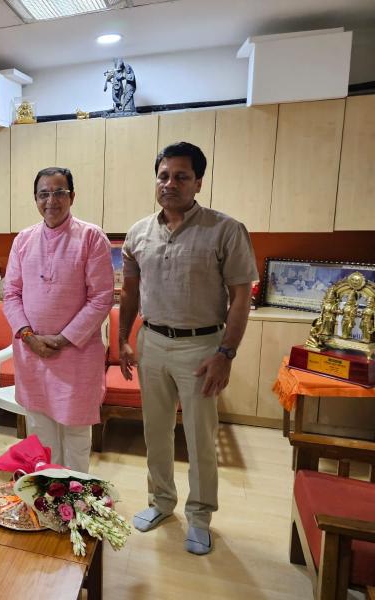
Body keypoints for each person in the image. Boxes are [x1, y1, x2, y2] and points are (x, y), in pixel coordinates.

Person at [119, 142, 258, 555]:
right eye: (163, 175)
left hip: (202, 347)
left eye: (181, 176)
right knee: (156, 432)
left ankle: (200, 516)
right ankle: (161, 502)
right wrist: (125, 339)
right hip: (152, 343)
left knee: (199, 437)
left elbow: (240, 298)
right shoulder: (138, 232)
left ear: (198, 181)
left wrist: (226, 354)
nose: (170, 184)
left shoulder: (225, 230)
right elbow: (129, 293)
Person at [2, 167, 114, 473]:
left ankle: (74, 500)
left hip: (76, 355)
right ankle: (48, 497)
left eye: (59, 192)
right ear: (36, 199)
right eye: (44, 194)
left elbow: (102, 297)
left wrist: (62, 339)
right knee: (41, 435)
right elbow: (10, 293)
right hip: (32, 355)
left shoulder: (91, 237)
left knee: (76, 435)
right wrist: (28, 336)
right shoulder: (23, 240)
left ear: (72, 196)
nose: (51, 200)